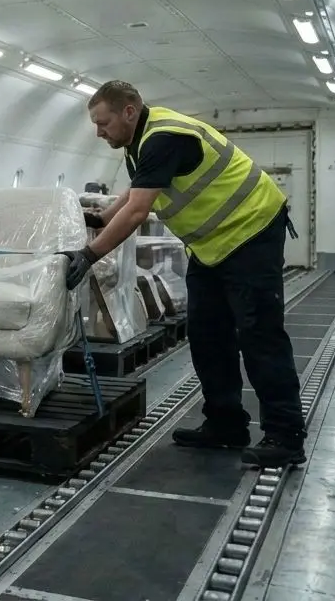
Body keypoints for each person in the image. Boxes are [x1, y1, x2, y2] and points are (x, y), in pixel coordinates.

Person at [63, 80, 306, 469]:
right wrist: (99, 218)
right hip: (212, 247)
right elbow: (135, 192)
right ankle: (226, 424)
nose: (98, 132)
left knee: (259, 333)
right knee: (207, 334)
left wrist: (89, 255)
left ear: (129, 111)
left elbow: (139, 211)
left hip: (252, 231)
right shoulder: (139, 143)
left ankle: (286, 434)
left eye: (103, 122)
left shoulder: (164, 136)